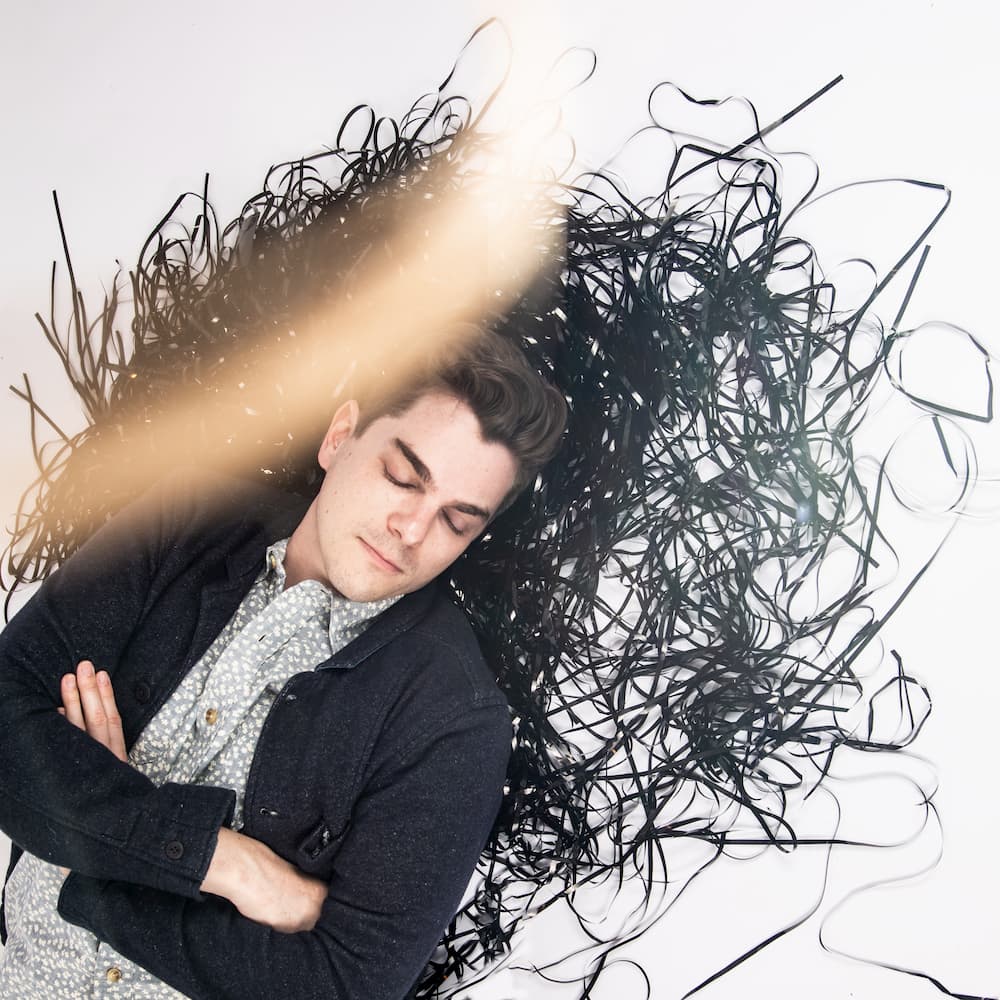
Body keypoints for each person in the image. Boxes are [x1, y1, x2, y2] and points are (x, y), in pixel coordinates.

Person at [0, 329, 567, 999]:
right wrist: (229, 865)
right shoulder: (182, 516)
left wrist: (88, 835)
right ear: (340, 438)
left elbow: (345, 985)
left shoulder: (456, 721)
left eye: (456, 522)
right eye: (403, 477)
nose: (412, 530)